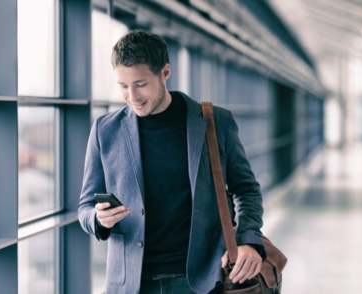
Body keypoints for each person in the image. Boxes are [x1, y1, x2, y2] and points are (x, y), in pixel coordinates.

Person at [78, 29, 266, 294]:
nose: (132, 96)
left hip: (200, 281)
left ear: (165, 72)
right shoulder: (105, 131)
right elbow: (85, 207)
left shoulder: (214, 122)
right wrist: (98, 219)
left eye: (140, 84)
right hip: (132, 284)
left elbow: (246, 190)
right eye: (123, 86)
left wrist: (248, 240)